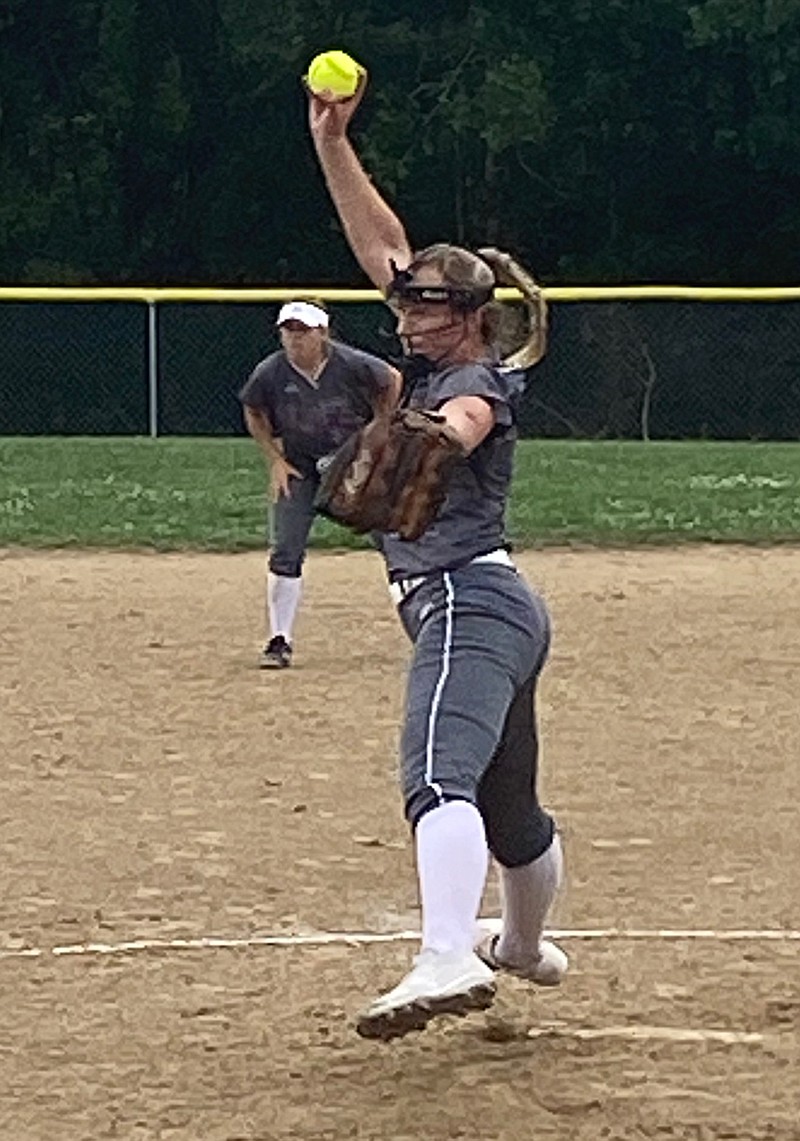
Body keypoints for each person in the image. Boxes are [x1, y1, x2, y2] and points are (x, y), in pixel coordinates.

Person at [306, 75, 568, 1040]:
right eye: (405, 304)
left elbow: (467, 416)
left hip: (467, 602)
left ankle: (447, 952)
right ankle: (525, 946)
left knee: (436, 774)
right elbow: (377, 239)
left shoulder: (472, 375)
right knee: (512, 809)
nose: (406, 318)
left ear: (467, 313)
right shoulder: (432, 336)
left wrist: (440, 437)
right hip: (498, 605)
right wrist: (333, 141)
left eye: (423, 308)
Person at [239, 298, 401, 668]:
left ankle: (425, 629)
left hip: (352, 464)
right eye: (288, 331)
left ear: (322, 333)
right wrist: (275, 459)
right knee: (286, 548)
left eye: (304, 331)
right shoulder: (272, 372)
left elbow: (391, 380)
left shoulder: (349, 363)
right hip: (302, 467)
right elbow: (253, 408)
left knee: (394, 544)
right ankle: (279, 640)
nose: (295, 339)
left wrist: (380, 428)